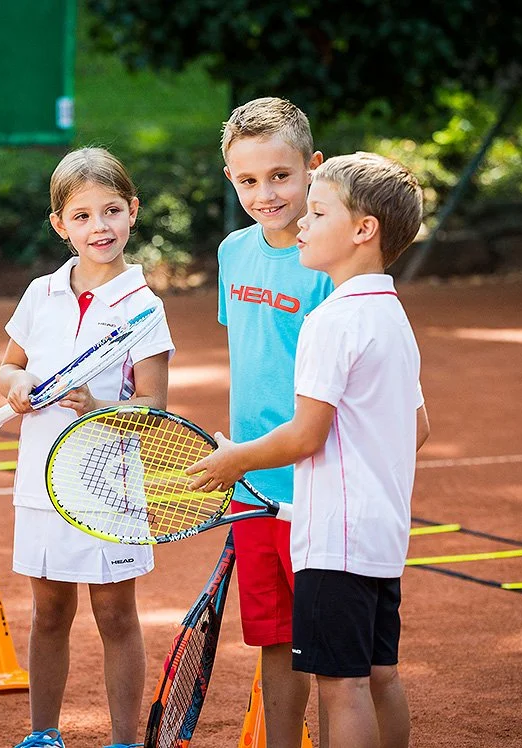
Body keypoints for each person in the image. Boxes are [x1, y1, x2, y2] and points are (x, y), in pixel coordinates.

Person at [187, 152, 431, 748]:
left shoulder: (330, 319)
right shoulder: (392, 314)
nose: (302, 223)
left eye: (317, 212)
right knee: (380, 674)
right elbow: (418, 427)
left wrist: (233, 460)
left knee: (339, 685)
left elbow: (305, 435)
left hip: (331, 536)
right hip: (380, 532)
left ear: (362, 230)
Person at [0, 147, 174, 748]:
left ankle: (124, 740)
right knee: (48, 614)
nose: (100, 227)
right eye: (82, 216)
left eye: (112, 211)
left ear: (133, 212)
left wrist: (98, 407)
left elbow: (153, 408)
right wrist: (17, 386)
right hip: (39, 482)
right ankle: (43, 734)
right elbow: (9, 367)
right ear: (59, 224)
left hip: (108, 487)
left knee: (116, 616)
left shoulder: (145, 308)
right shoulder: (41, 293)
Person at [217, 96, 333, 747]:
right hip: (253, 488)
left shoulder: (329, 262)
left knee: (349, 661)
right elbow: (255, 358)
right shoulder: (233, 252)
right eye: (248, 179)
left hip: (317, 484)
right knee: (276, 640)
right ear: (231, 179)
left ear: (312, 168)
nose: (266, 192)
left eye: (280, 175)